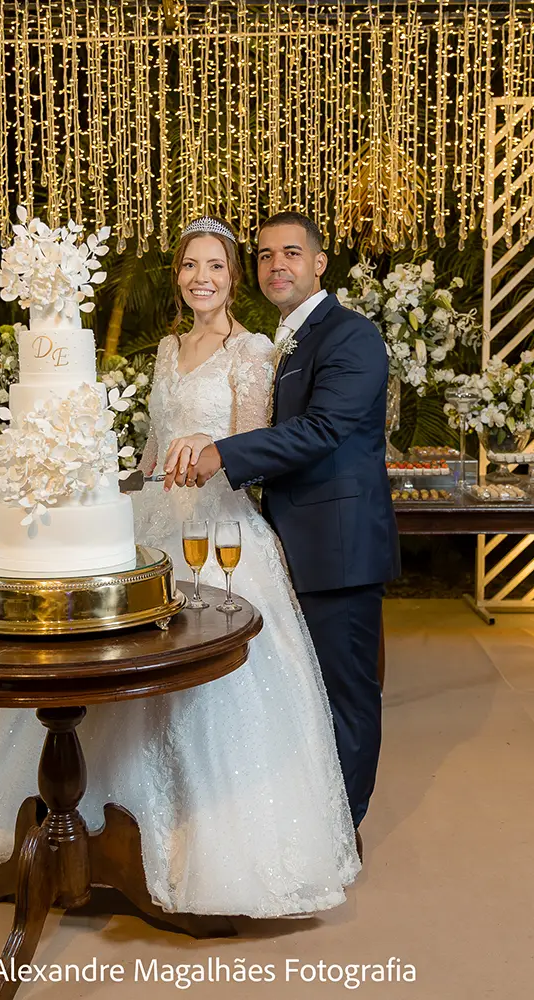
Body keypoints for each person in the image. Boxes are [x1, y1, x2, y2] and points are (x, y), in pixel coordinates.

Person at [0, 216, 359, 919]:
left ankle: (188, 839)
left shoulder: (252, 349)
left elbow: (253, 446)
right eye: (190, 265)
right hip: (151, 521)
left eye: (215, 266)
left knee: (204, 672)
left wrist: (208, 454)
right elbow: (152, 445)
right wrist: (106, 496)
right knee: (116, 663)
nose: (202, 278)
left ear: (233, 277)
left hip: (217, 526)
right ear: (178, 277)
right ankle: (95, 812)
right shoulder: (168, 348)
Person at [163, 210, 398, 834]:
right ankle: (314, 819)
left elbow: (321, 430)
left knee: (346, 695)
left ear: (319, 262)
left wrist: (220, 453)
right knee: (305, 694)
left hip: (340, 546)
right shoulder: (291, 338)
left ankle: (342, 832)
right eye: (266, 255)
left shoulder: (351, 335)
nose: (277, 265)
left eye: (291, 253)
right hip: (289, 539)